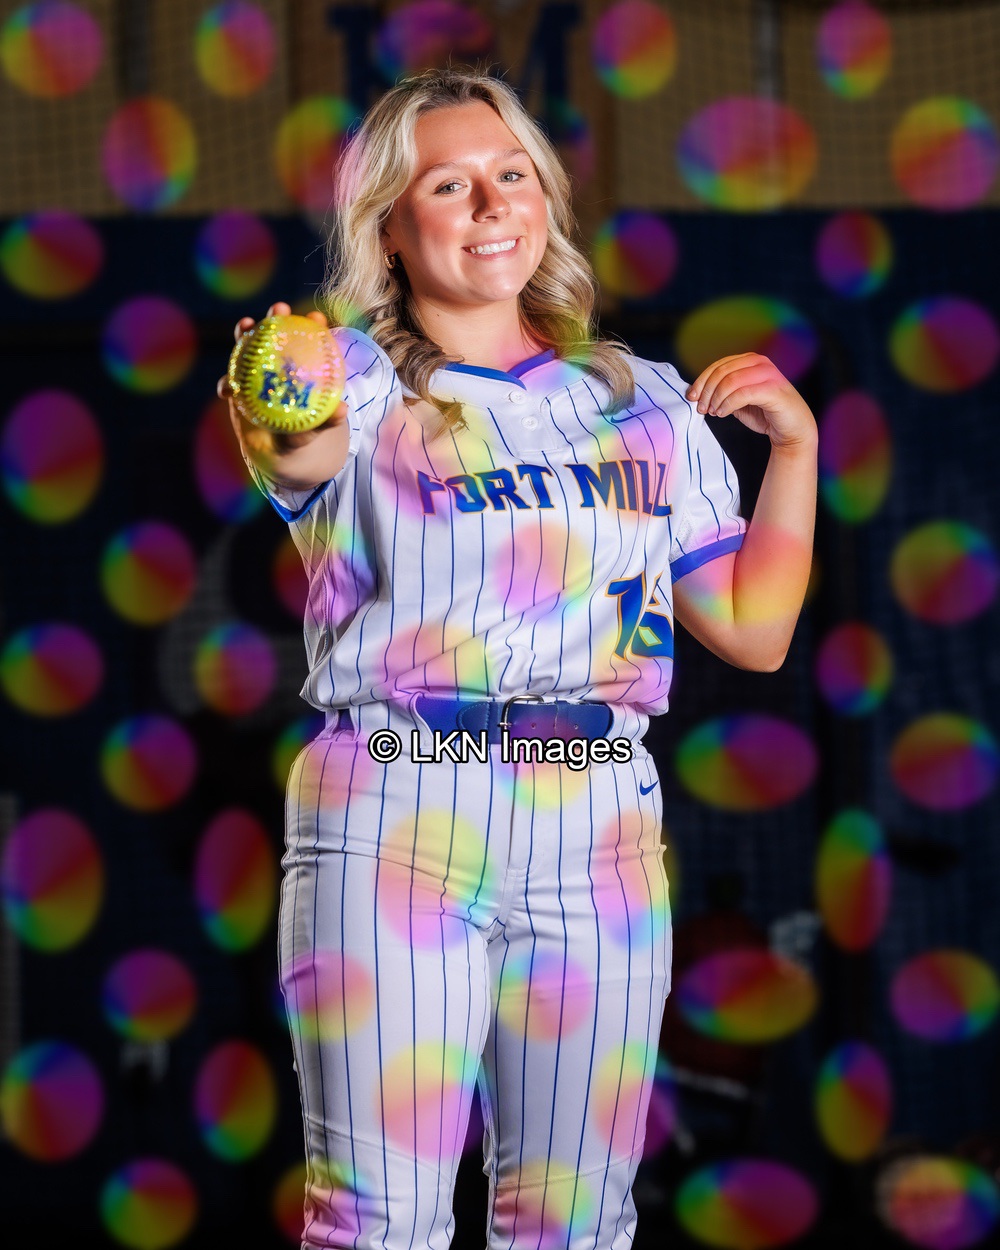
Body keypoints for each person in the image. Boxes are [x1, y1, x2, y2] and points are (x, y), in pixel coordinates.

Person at [220, 67, 817, 1250]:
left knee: (576, 1224)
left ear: (545, 195)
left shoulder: (644, 400)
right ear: (390, 227)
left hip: (598, 817)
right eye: (448, 184)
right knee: (379, 1224)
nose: (492, 203)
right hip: (398, 808)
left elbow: (754, 630)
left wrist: (794, 450)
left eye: (511, 174)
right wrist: (277, 393)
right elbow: (298, 451)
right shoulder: (358, 378)